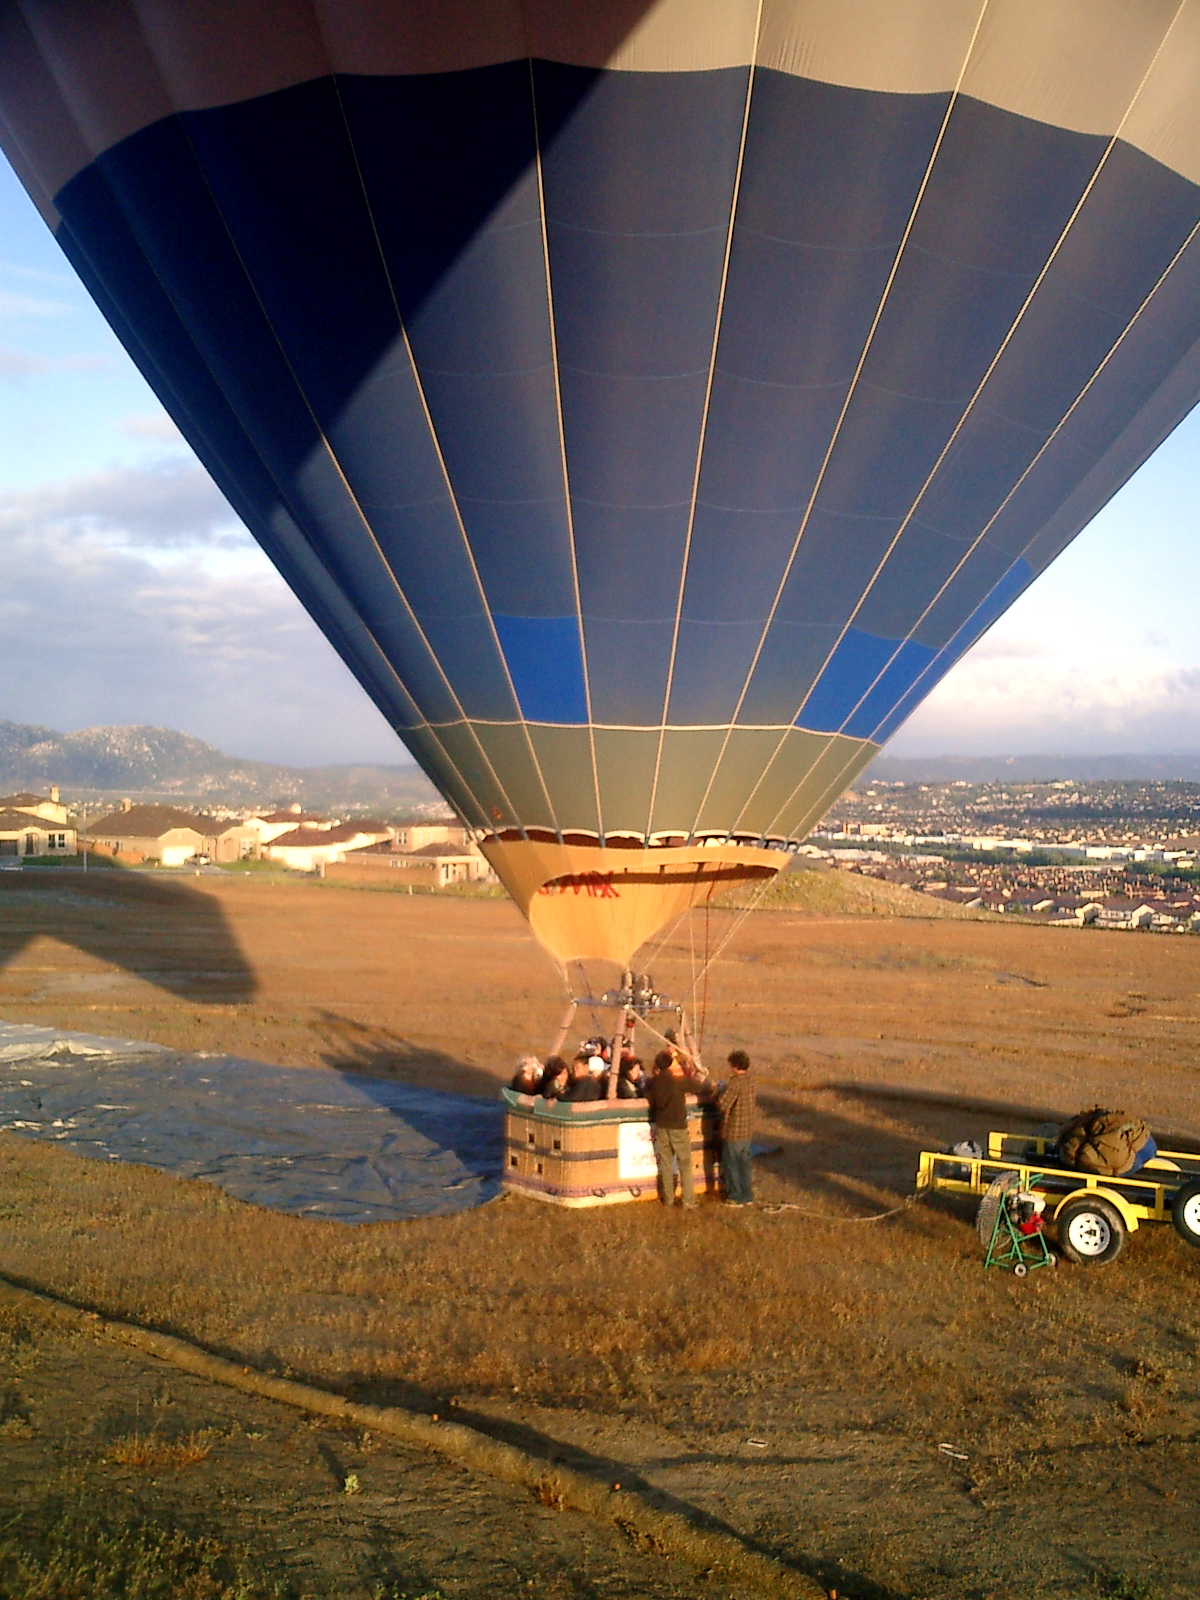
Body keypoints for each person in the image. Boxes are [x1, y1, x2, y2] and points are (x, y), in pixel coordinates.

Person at [645, 1048, 696, 1208]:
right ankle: (688, 1201)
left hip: (661, 1127)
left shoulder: (653, 1083)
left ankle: (668, 1199)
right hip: (678, 1127)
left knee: (666, 1164)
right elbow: (700, 1087)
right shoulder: (678, 1082)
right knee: (685, 1165)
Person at [716, 1049, 756, 1206]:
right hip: (747, 1131)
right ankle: (747, 1195)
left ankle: (735, 1196)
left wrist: (717, 1092)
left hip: (734, 1131)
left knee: (731, 1165)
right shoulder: (751, 1081)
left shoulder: (734, 1083)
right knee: (744, 1165)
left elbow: (722, 1104)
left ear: (734, 1065)